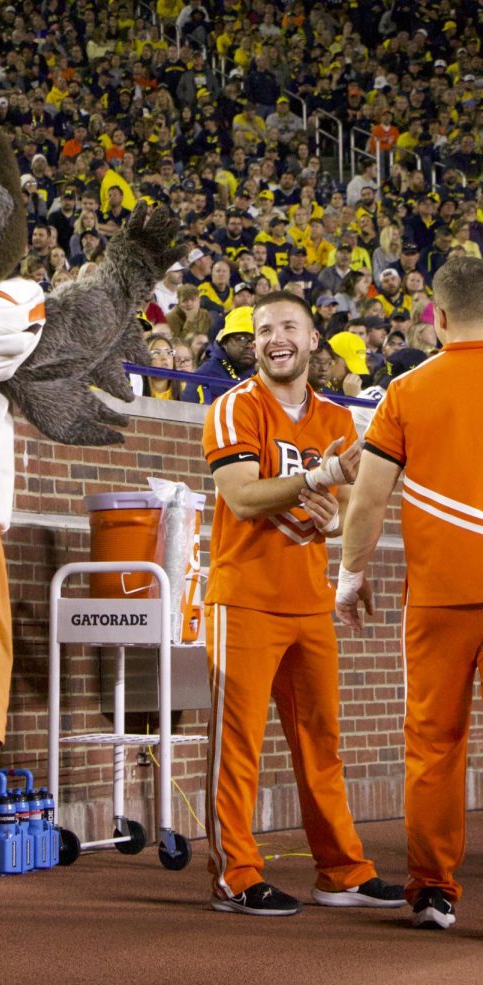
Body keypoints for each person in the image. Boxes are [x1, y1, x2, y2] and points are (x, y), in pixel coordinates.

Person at [200, 291, 405, 916]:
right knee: (237, 745)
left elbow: (342, 514)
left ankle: (342, 870)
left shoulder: (338, 420)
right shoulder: (235, 405)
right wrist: (317, 482)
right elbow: (240, 497)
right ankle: (236, 873)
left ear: (315, 340)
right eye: (263, 330)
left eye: (289, 326)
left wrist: (332, 518)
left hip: (307, 597)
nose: (275, 337)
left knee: (322, 740)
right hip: (245, 597)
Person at [335, 257, 483, 931]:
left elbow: (366, 500)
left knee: (433, 742)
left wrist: (352, 576)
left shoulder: (407, 389)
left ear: (439, 315)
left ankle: (433, 889)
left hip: (438, 598)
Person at [181, 305, 256, 404]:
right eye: (241, 339)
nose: (250, 346)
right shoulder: (203, 377)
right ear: (224, 342)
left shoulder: (261, 376)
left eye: (255, 340)